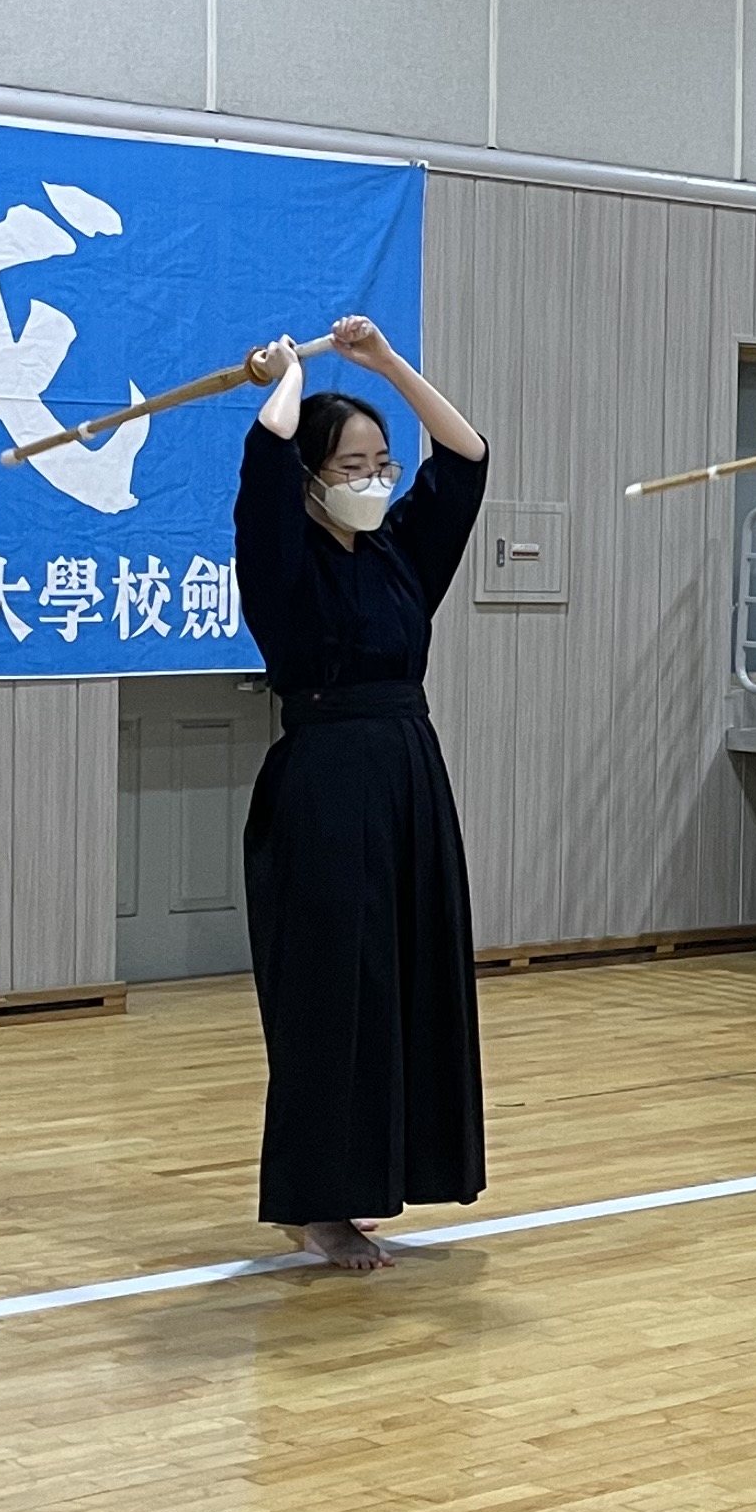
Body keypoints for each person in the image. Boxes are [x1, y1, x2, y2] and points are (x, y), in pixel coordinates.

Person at [236, 314, 489, 1272]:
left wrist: (386, 363)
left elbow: (465, 457)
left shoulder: (399, 555)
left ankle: (385, 1174)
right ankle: (318, 1204)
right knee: (331, 994)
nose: (374, 479)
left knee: (406, 983)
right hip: (324, 787)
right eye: (352, 466)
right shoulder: (281, 560)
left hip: (409, 777)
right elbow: (265, 463)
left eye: (382, 463)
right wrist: (289, 377)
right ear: (312, 478)